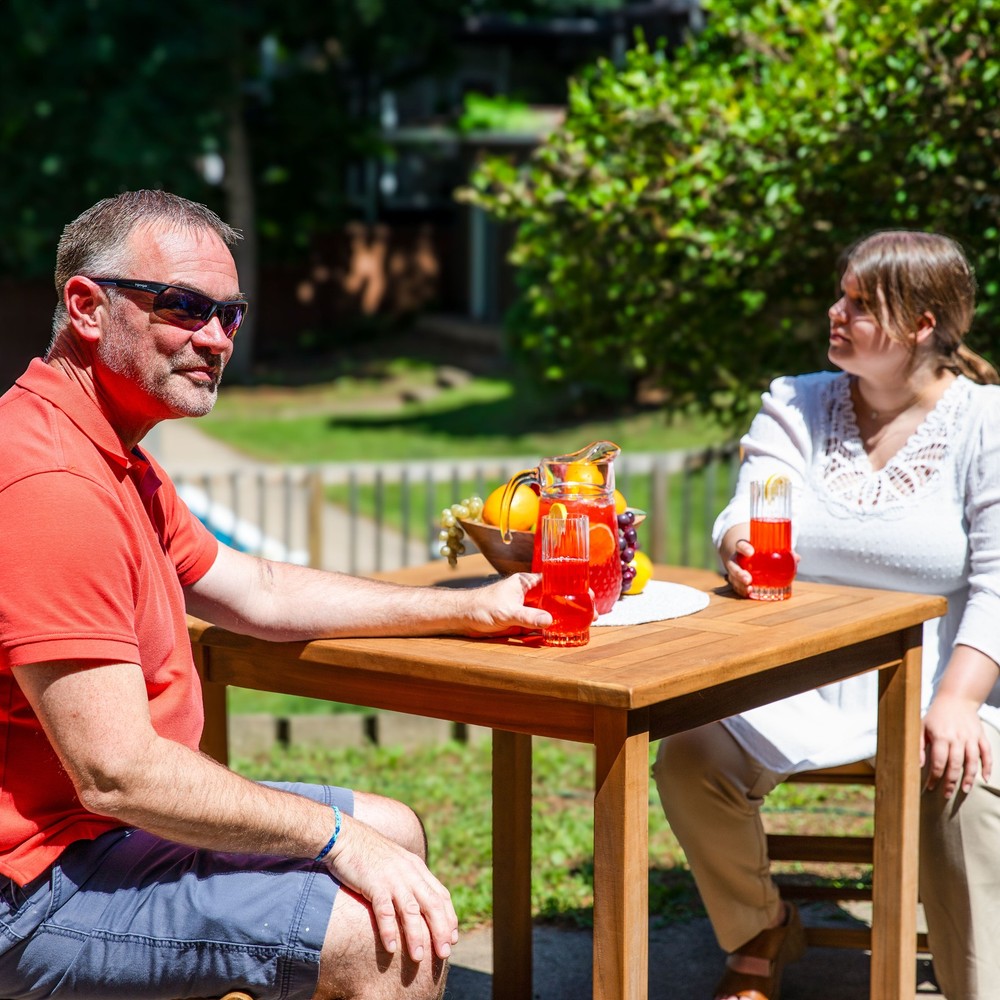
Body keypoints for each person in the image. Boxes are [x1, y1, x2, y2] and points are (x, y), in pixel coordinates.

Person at [0, 189, 552, 1000]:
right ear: (86, 306)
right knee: (380, 940)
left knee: (394, 829)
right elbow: (116, 772)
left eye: (231, 313)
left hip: (102, 834)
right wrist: (332, 839)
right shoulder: (48, 483)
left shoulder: (112, 453)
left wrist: (467, 605)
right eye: (185, 307)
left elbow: (252, 588)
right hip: (38, 888)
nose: (216, 337)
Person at [653, 230, 1000, 1000]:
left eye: (859, 304)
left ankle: (976, 982)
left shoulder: (987, 423)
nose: (834, 313)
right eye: (839, 296)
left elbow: (998, 582)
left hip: (944, 678)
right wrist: (739, 541)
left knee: (963, 777)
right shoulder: (797, 401)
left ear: (922, 324)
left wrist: (957, 702)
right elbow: (750, 508)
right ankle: (759, 931)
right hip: (800, 675)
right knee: (691, 755)